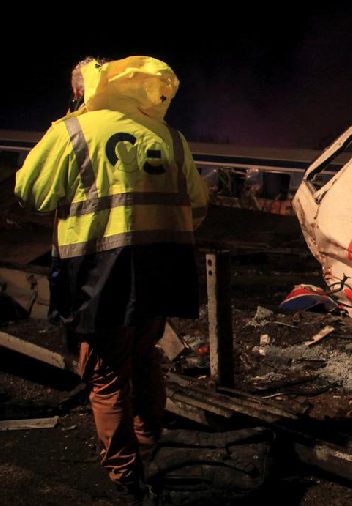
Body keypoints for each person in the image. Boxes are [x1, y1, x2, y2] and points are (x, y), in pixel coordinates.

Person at [14, 56, 208, 499]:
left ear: (83, 91)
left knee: (104, 372)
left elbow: (31, 192)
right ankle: (149, 438)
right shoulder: (167, 135)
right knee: (145, 355)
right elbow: (198, 203)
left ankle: (125, 476)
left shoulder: (74, 131)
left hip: (101, 271)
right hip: (163, 267)